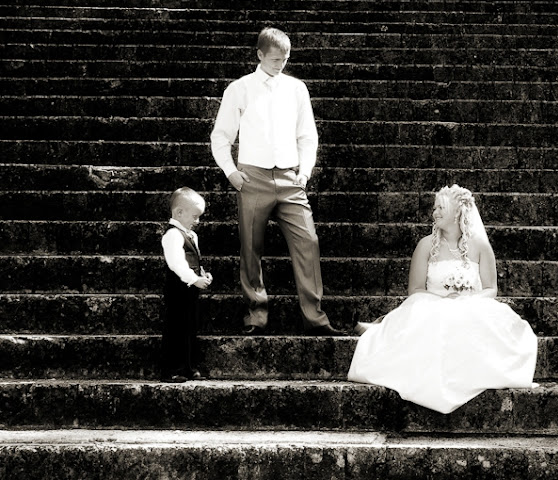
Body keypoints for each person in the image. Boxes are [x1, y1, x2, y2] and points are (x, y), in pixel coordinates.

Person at [348, 184, 538, 413]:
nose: (435, 212)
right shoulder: (426, 245)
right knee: (435, 315)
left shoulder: (480, 245)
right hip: (432, 303)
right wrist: (442, 300)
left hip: (470, 305)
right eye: (435, 208)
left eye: (441, 207)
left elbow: (490, 289)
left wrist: (467, 300)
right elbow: (415, 289)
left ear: (457, 212)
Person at [210, 26, 343, 336]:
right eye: (274, 59)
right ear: (259, 55)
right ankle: (256, 313)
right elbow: (221, 136)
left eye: (285, 59)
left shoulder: (297, 89)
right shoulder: (239, 89)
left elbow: (307, 135)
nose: (281, 64)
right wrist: (231, 171)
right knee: (250, 246)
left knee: (308, 241)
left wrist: (305, 171)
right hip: (252, 176)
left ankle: (315, 317)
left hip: (290, 177)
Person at [161, 187, 213, 383]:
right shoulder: (173, 235)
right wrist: (193, 279)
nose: (197, 221)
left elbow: (193, 260)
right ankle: (170, 369)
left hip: (190, 289)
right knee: (176, 328)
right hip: (177, 289)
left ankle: (188, 367)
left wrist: (202, 274)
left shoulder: (192, 235)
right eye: (195, 216)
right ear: (179, 213)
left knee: (190, 327)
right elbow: (176, 263)